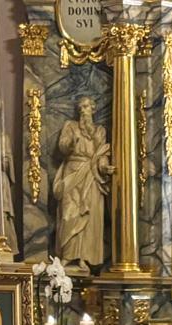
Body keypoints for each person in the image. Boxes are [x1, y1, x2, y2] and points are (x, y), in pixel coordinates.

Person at [52, 96, 113, 268]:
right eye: (80, 107)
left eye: (86, 107)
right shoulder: (70, 126)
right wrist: (71, 143)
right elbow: (62, 147)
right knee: (68, 213)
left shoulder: (99, 130)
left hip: (91, 175)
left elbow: (101, 154)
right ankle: (67, 254)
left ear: (93, 109)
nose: (82, 110)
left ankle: (83, 258)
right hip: (72, 171)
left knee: (89, 215)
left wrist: (104, 167)